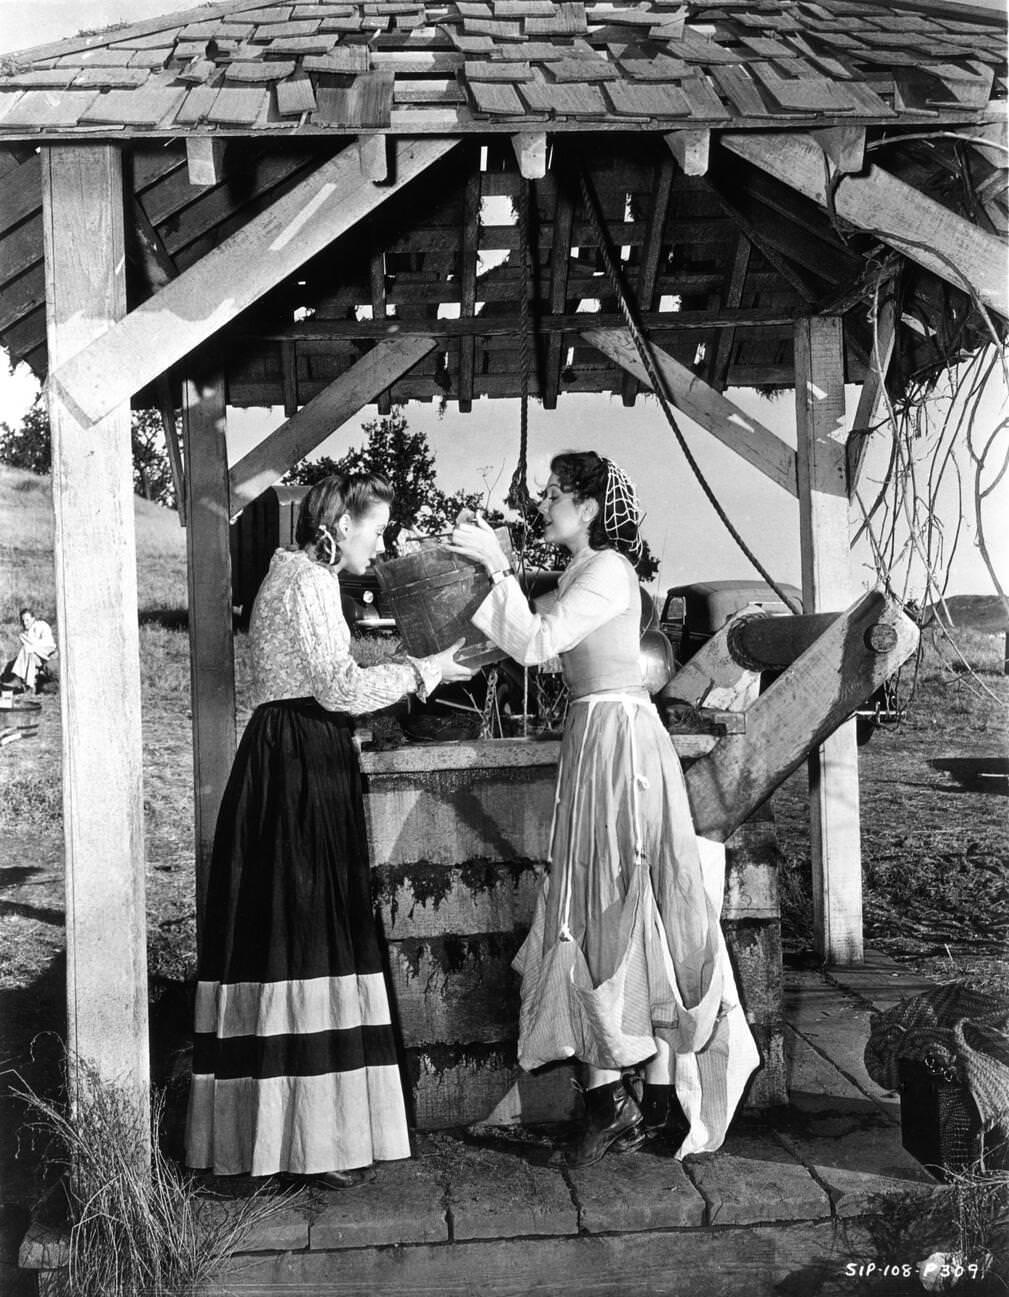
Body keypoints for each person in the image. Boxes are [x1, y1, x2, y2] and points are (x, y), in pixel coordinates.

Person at [449, 452, 759, 1167]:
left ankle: (618, 1101)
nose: (545, 504)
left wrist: (497, 568)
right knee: (604, 896)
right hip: (597, 736)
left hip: (619, 742)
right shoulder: (577, 573)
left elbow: (535, 643)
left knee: (612, 898)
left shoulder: (608, 569)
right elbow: (535, 644)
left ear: (587, 508)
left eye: (556, 494)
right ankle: (636, 1097)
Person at [185, 473, 474, 1191]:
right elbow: (338, 687)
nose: (380, 543)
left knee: (289, 934)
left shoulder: (294, 575)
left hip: (292, 756)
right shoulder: (307, 579)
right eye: (374, 528)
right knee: (305, 931)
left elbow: (327, 677)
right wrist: (421, 671)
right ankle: (311, 1140)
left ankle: (287, 1134)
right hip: (296, 766)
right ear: (340, 523)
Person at [2, 608, 56, 694]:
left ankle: (19, 679)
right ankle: (28, 684)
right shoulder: (23, 634)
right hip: (34, 656)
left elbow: (49, 642)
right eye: (23, 621)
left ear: (33, 619)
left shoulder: (42, 625)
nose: (25, 623)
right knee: (28, 650)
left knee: (27, 649)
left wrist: (33, 646)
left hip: (46, 653)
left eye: (27, 620)